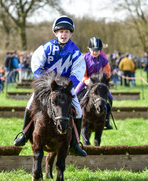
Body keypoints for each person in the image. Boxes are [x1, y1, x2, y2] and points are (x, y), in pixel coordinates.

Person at [14, 16, 87, 157]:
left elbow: (78, 71)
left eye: (66, 32)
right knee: (29, 105)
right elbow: (36, 64)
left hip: (65, 87)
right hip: (47, 86)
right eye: (61, 31)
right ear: (56, 33)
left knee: (78, 110)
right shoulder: (46, 48)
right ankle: (23, 134)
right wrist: (44, 81)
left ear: (71, 34)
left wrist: (67, 85)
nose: (63, 34)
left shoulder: (75, 51)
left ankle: (75, 144)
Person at [75, 37, 113, 130]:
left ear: (100, 50)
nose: (95, 52)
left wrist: (103, 81)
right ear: (89, 49)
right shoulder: (85, 58)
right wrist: (87, 81)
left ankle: (106, 120)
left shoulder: (104, 60)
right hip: (87, 82)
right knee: (74, 95)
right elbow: (82, 74)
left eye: (97, 50)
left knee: (110, 98)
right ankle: (74, 119)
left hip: (100, 84)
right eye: (93, 50)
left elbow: (107, 73)